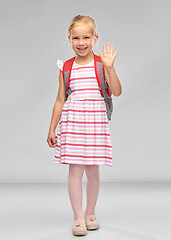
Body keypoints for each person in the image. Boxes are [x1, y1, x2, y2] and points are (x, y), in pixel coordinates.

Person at [47, 14, 122, 236]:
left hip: (95, 125)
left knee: (93, 171)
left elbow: (116, 91)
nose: (81, 42)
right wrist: (52, 128)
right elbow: (60, 100)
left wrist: (110, 68)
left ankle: (90, 213)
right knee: (75, 171)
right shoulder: (66, 68)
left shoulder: (101, 64)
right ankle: (78, 217)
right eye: (76, 38)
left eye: (86, 37)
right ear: (69, 39)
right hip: (74, 125)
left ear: (95, 38)